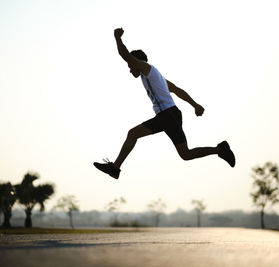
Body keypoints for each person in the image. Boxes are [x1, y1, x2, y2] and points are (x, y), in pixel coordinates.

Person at [94, 28, 235, 179]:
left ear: (137, 62)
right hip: (170, 115)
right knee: (185, 154)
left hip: (168, 115)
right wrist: (195, 105)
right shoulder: (154, 75)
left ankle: (115, 168)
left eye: (130, 65)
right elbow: (176, 89)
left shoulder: (146, 69)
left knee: (133, 134)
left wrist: (117, 38)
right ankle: (220, 149)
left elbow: (125, 55)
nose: (129, 70)